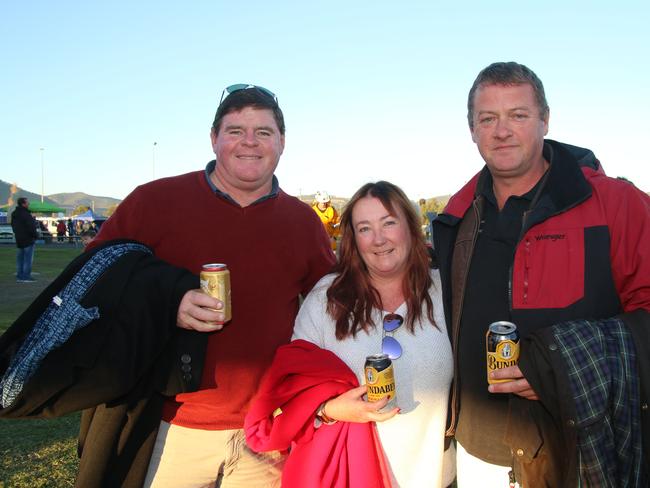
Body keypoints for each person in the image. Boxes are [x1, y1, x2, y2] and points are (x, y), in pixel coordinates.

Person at [88, 84, 335, 487]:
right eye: (236, 130)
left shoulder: (304, 223)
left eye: (264, 132)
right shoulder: (154, 202)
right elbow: (95, 275)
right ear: (214, 139)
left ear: (283, 143)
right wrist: (166, 300)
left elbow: (332, 305)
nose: (249, 143)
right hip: (170, 427)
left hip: (266, 431)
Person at [432, 61, 650, 486]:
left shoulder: (616, 205)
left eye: (518, 115)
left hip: (579, 450)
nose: (502, 130)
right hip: (479, 453)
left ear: (545, 120)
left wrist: (562, 366)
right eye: (487, 118)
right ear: (472, 129)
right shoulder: (455, 219)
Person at [246, 181, 455, 487]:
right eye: (365, 228)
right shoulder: (325, 300)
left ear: (411, 228)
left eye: (389, 223)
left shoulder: (447, 291)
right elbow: (288, 390)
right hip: (348, 474)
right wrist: (329, 409)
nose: (379, 239)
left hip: (430, 474)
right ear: (353, 240)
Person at [10, 197, 38, 283]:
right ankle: (26, 276)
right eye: (27, 202)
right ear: (23, 204)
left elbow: (13, 225)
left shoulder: (14, 214)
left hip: (19, 239)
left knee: (20, 259)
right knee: (28, 259)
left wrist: (17, 234)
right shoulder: (26, 214)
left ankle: (20, 275)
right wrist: (35, 235)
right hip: (28, 239)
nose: (28, 204)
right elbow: (31, 227)